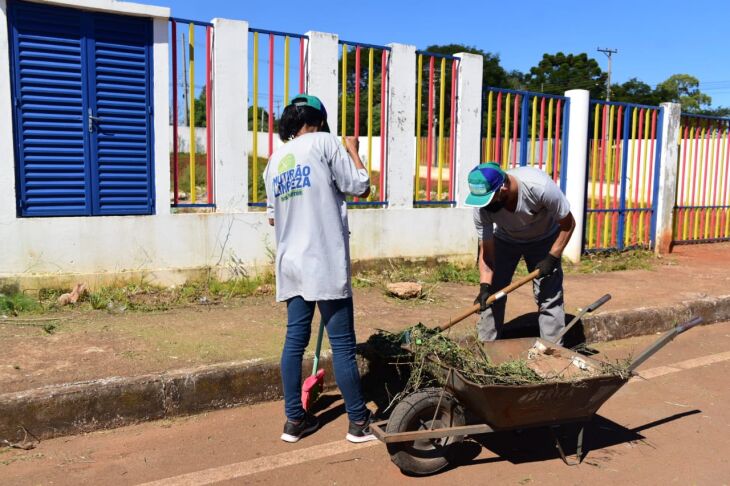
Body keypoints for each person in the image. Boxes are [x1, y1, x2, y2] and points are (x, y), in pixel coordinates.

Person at [263, 93, 376, 444]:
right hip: (323, 260)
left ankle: (294, 420)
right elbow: (360, 186)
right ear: (320, 121)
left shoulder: (275, 159)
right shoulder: (326, 144)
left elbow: (271, 218)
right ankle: (358, 422)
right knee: (342, 344)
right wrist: (354, 149)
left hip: (291, 263)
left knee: (293, 342)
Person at [464, 162, 576, 344]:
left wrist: (552, 256)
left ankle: (554, 354)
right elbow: (487, 251)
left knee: (549, 297)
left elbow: (568, 223)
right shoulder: (482, 207)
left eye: (489, 198)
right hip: (505, 240)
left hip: (544, 239)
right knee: (492, 297)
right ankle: (486, 351)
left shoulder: (540, 187)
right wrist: (484, 286)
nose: (485, 205)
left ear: (503, 187)